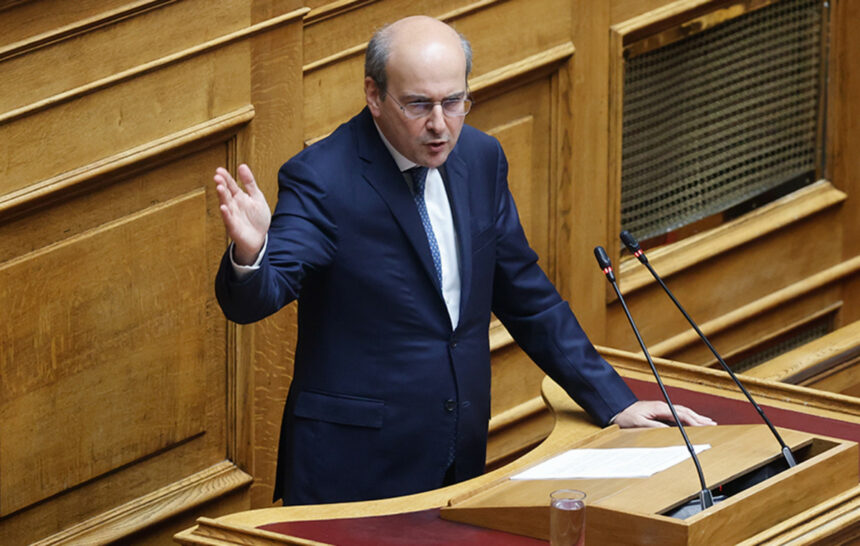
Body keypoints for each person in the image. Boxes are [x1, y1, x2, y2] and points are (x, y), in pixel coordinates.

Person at [214, 16, 714, 506]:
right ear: (374, 94)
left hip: (458, 448)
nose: (439, 124)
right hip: (354, 471)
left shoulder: (480, 157)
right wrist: (251, 252)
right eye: (418, 105)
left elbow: (527, 298)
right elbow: (257, 298)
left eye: (454, 102)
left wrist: (615, 401)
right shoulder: (323, 178)